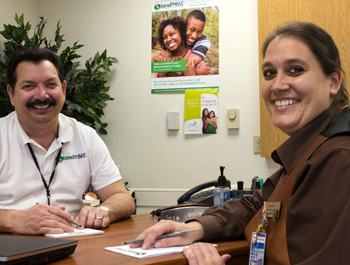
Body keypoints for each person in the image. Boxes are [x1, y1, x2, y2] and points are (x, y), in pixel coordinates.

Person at [131, 21, 350, 264]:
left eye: (295, 69)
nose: (277, 85)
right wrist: (193, 228)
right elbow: (257, 206)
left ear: (334, 82)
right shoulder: (311, 148)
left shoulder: (338, 159)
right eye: (269, 73)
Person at [0, 47, 135, 235]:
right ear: (11, 94)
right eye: (29, 86)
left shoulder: (86, 136)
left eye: (50, 84)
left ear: (63, 89)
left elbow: (122, 197)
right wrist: (12, 220)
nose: (41, 95)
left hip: (73, 246)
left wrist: (103, 211)